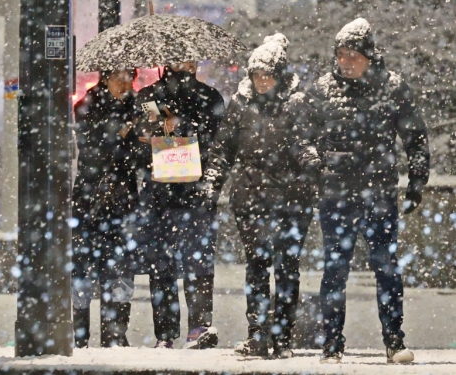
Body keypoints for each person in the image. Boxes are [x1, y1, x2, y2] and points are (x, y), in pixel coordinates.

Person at [294, 18, 429, 364]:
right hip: (337, 193)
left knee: (385, 267)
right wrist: (316, 164)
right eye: (341, 54)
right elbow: (301, 136)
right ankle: (332, 343)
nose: (346, 61)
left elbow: (415, 137)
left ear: (369, 56)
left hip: (379, 192)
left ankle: (394, 339)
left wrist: (417, 181)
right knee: (335, 269)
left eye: (353, 55)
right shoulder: (323, 89)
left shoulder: (392, 87)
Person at [203, 34, 315, 358]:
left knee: (287, 268)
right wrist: (212, 182)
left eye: (267, 74)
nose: (262, 80)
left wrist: (314, 169)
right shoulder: (240, 104)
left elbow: (307, 145)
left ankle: (281, 336)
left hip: (290, 199)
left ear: (279, 75)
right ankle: (258, 333)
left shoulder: (296, 104)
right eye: (257, 74)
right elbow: (223, 148)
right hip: (252, 197)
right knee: (257, 265)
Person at [132, 62, 224, 349]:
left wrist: (185, 130)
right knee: (162, 266)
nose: (183, 63)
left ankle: (199, 327)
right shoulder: (149, 96)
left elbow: (219, 143)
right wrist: (158, 131)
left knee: (198, 264)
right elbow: (138, 143)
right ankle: (166, 333)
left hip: (195, 194)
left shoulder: (210, 97)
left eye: (188, 58)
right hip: (159, 195)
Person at [72, 69, 137, 348]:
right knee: (83, 268)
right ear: (105, 79)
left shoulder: (142, 106)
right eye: (117, 78)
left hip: (124, 200)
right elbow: (90, 151)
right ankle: (79, 336)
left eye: (129, 78)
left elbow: (146, 153)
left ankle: (115, 334)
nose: (123, 84)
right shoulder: (86, 106)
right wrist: (120, 134)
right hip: (90, 198)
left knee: (120, 269)